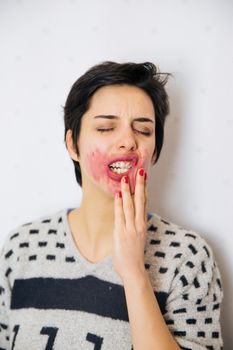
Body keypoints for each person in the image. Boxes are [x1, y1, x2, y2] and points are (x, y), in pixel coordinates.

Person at [0, 61, 223, 350]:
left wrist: (134, 274)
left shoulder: (187, 257)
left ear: (154, 151)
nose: (128, 141)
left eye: (143, 131)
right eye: (106, 127)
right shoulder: (22, 248)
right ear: (72, 144)